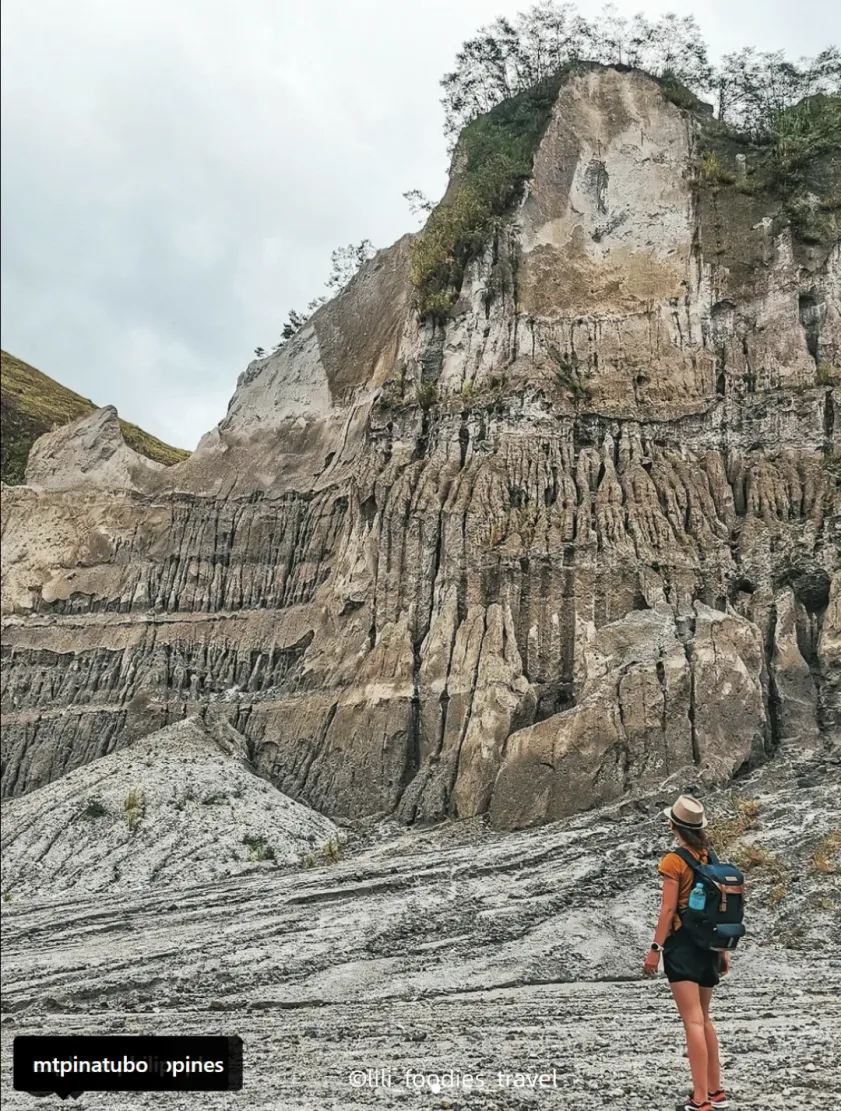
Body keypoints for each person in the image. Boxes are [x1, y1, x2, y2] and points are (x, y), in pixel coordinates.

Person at [642, 794, 731, 1111]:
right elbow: (722, 908)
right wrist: (723, 951)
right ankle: (715, 1092)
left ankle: (700, 1100)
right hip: (709, 945)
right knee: (704, 1019)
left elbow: (667, 911)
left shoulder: (674, 861)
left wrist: (655, 949)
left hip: (682, 946)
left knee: (692, 1021)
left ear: (673, 825)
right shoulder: (711, 857)